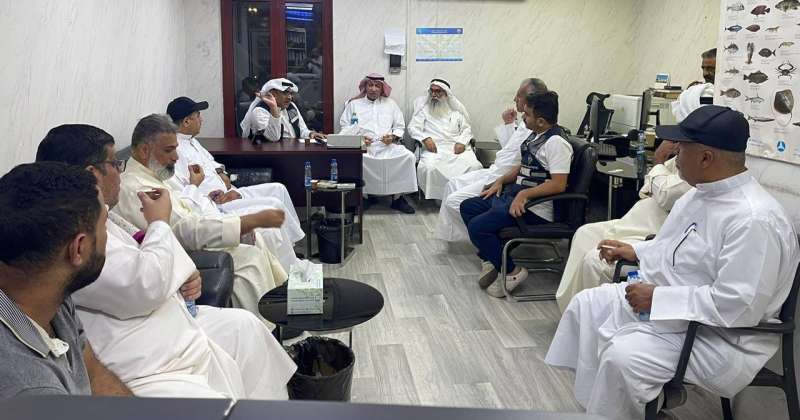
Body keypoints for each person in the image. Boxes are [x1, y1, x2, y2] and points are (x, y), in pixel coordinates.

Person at [545, 105, 800, 420]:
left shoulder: (753, 220)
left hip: (718, 337)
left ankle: (631, 403)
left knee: (623, 358)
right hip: (675, 309)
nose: (673, 152)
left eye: (682, 146)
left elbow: (739, 305)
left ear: (706, 158)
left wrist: (658, 298)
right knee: (586, 306)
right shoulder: (701, 193)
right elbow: (675, 247)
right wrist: (637, 251)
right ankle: (617, 407)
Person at [35, 124, 296, 398]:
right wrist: (159, 223)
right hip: (143, 355)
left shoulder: (110, 208)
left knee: (246, 328)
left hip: (167, 319)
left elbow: (148, 246)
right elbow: (145, 282)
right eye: (115, 164)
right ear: (92, 174)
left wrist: (185, 271)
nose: (120, 171)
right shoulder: (75, 236)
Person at [554, 81, 714, 311]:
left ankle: (586, 314)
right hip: (638, 220)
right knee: (584, 233)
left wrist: (658, 164)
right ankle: (570, 311)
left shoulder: (702, 166)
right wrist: (657, 180)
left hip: (650, 230)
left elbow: (666, 193)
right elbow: (651, 187)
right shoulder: (687, 156)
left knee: (594, 260)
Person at [115, 114, 288, 319]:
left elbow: (184, 206)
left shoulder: (154, 172)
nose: (176, 157)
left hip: (203, 221)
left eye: (175, 149)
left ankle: (282, 308)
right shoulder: (138, 188)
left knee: (255, 239)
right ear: (144, 150)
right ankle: (266, 322)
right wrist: (242, 224)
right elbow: (182, 231)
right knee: (251, 257)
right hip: (181, 252)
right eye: (169, 150)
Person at [0, 162, 132, 399]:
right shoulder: (31, 390)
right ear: (78, 248)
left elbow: (95, 376)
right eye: (104, 225)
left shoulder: (47, 297)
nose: (107, 236)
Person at [168, 96, 304, 270]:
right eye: (198, 116)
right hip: (218, 204)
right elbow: (186, 191)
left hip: (229, 191)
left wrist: (222, 174)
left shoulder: (192, 141)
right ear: (186, 122)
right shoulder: (176, 150)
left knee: (278, 188)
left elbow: (213, 163)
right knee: (274, 205)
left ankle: (290, 247)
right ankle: (288, 261)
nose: (202, 120)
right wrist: (214, 196)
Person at [460, 91, 572, 298]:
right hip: (517, 197)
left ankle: (512, 272)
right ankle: (492, 259)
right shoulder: (536, 135)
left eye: (527, 115)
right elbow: (524, 166)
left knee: (478, 227)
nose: (523, 117)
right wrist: (501, 181)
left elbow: (559, 184)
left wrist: (524, 195)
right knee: (468, 207)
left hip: (537, 209)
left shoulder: (557, 143)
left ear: (540, 121)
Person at [435, 78, 547, 241]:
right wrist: (509, 124)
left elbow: (523, 162)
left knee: (454, 202)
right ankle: (468, 236)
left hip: (503, 177)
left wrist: (501, 180)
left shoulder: (536, 127)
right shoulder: (526, 122)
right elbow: (510, 149)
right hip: (496, 171)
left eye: (519, 96)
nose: (514, 99)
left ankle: (483, 237)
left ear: (531, 98)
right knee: (452, 184)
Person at [339, 73, 416, 213]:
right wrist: (359, 139)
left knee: (408, 157)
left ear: (382, 89)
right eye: (370, 85)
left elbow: (399, 126)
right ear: (365, 87)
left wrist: (393, 137)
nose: (373, 89)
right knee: (355, 159)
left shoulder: (391, 104)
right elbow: (345, 127)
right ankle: (364, 197)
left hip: (387, 146)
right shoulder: (354, 105)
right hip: (364, 147)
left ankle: (398, 198)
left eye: (377, 86)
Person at [408, 78, 482, 200]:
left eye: (438, 91)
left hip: (456, 148)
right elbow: (413, 128)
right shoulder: (424, 110)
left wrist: (462, 142)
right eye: (432, 91)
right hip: (434, 149)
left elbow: (466, 129)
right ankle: (436, 197)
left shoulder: (456, 111)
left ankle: (464, 197)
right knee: (429, 168)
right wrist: (425, 138)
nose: (434, 95)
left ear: (446, 94)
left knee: (474, 166)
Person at [240, 78, 326, 142]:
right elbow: (273, 137)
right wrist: (274, 108)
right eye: (285, 93)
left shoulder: (291, 106)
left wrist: (310, 134)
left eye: (290, 93)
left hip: (293, 151)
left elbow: (302, 130)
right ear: (273, 94)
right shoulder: (260, 111)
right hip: (271, 156)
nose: (290, 97)